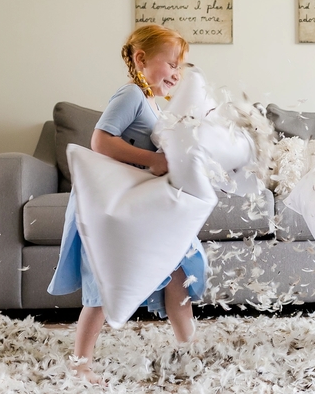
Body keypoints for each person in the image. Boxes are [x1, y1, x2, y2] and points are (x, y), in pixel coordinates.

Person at [48, 24, 206, 384]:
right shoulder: (131, 94)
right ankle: (80, 363)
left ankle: (189, 347)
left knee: (178, 269)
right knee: (104, 286)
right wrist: (152, 161)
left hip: (141, 205)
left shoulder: (152, 103)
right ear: (141, 60)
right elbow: (100, 141)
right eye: (170, 64)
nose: (177, 73)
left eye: (180, 67)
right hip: (110, 207)